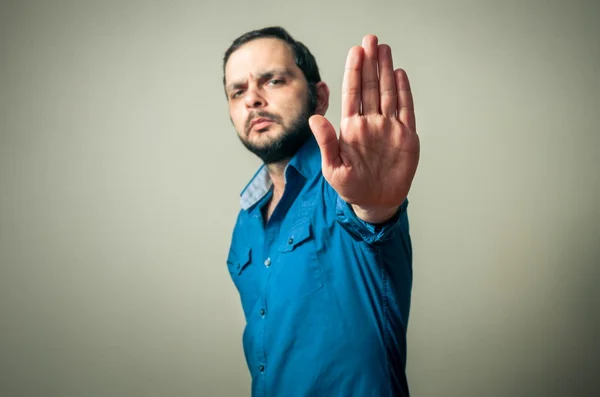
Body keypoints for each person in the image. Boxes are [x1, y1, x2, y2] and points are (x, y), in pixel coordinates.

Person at [222, 26, 420, 397]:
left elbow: (371, 218)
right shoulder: (245, 222)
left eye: (274, 81)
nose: (252, 100)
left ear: (319, 96)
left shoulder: (349, 186)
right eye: (238, 91)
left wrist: (376, 204)